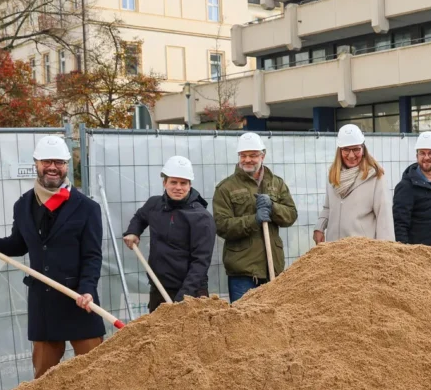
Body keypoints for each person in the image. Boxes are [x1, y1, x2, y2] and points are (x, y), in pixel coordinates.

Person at [0, 136, 104, 379]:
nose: (52, 167)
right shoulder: (23, 205)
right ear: (36, 163)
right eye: (46, 161)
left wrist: (87, 289)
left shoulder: (87, 207)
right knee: (43, 381)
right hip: (43, 301)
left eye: (58, 162)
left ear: (67, 165)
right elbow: (16, 245)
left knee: (95, 375)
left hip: (79, 299)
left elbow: (92, 255)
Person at [213, 132, 298, 302]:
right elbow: (221, 225)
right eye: (243, 155)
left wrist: (273, 208)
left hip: (272, 267)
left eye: (253, 155)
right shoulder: (226, 188)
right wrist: (254, 220)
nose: (248, 160)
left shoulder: (276, 183)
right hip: (243, 272)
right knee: (243, 322)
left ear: (262, 156)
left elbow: (291, 215)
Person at [123, 156, 216, 312]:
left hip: (191, 293)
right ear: (164, 183)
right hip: (159, 289)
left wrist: (182, 299)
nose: (178, 187)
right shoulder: (154, 204)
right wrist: (133, 231)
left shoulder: (201, 218)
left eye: (183, 183)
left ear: (190, 185)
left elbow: (200, 263)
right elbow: (140, 217)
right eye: (173, 182)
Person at [314, 124, 395, 244]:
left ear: (363, 150)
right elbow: (328, 208)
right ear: (339, 151)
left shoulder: (375, 177)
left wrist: (386, 252)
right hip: (334, 249)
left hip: (361, 253)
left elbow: (384, 217)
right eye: (346, 149)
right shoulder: (333, 176)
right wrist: (319, 227)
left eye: (356, 149)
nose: (351, 155)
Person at [392, 131, 431, 253]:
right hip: (419, 258)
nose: (426, 157)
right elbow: (400, 226)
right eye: (422, 153)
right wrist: (405, 254)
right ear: (417, 156)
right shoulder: (406, 187)